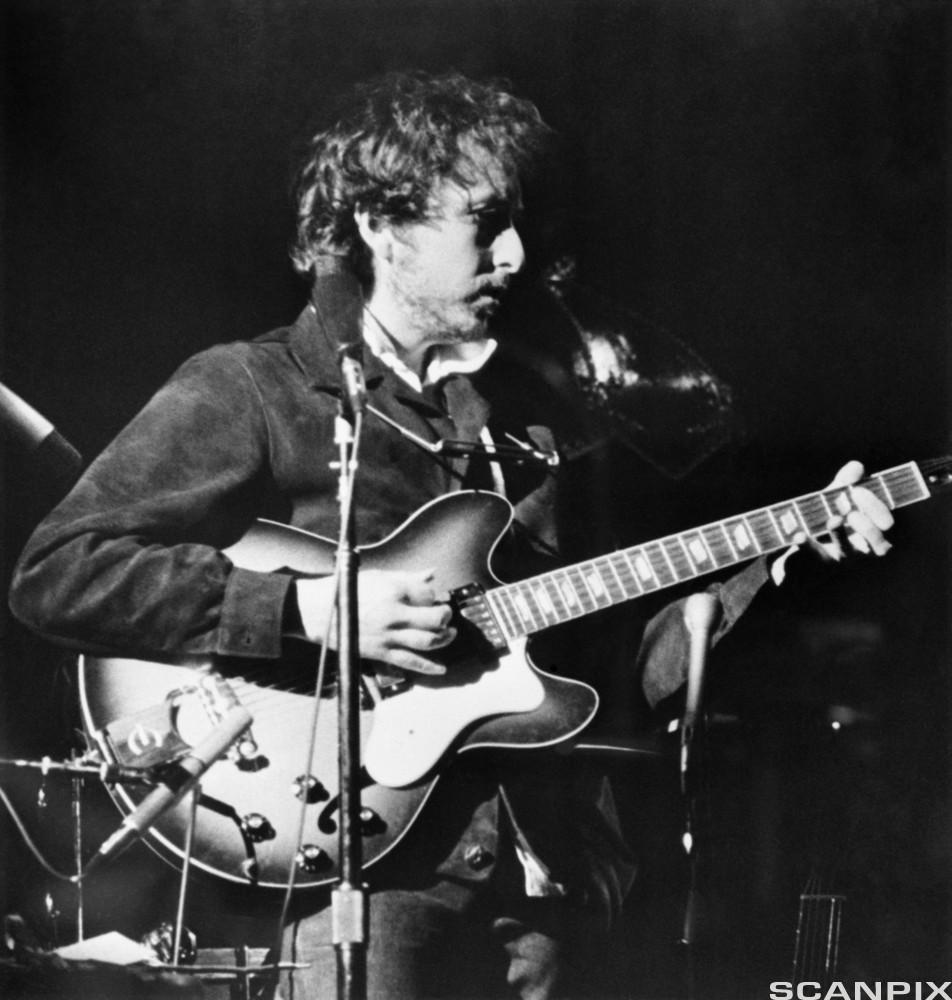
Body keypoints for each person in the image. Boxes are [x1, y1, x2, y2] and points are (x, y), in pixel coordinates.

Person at [7, 71, 894, 999]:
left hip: (545, 881)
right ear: (383, 227)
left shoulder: (531, 430)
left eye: (519, 224)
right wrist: (310, 608)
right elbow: (59, 571)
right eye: (482, 222)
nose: (514, 253)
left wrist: (785, 563)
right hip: (359, 878)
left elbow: (613, 671)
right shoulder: (254, 388)